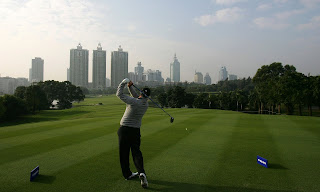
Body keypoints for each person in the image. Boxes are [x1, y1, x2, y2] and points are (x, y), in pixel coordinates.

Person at [116, 78, 150, 188]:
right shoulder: (145, 105)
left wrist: (123, 83)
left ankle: (128, 174)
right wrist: (130, 87)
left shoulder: (134, 102)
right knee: (136, 153)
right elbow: (138, 98)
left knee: (124, 154)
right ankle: (141, 172)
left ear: (141, 93)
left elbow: (119, 94)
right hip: (135, 131)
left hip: (125, 130)